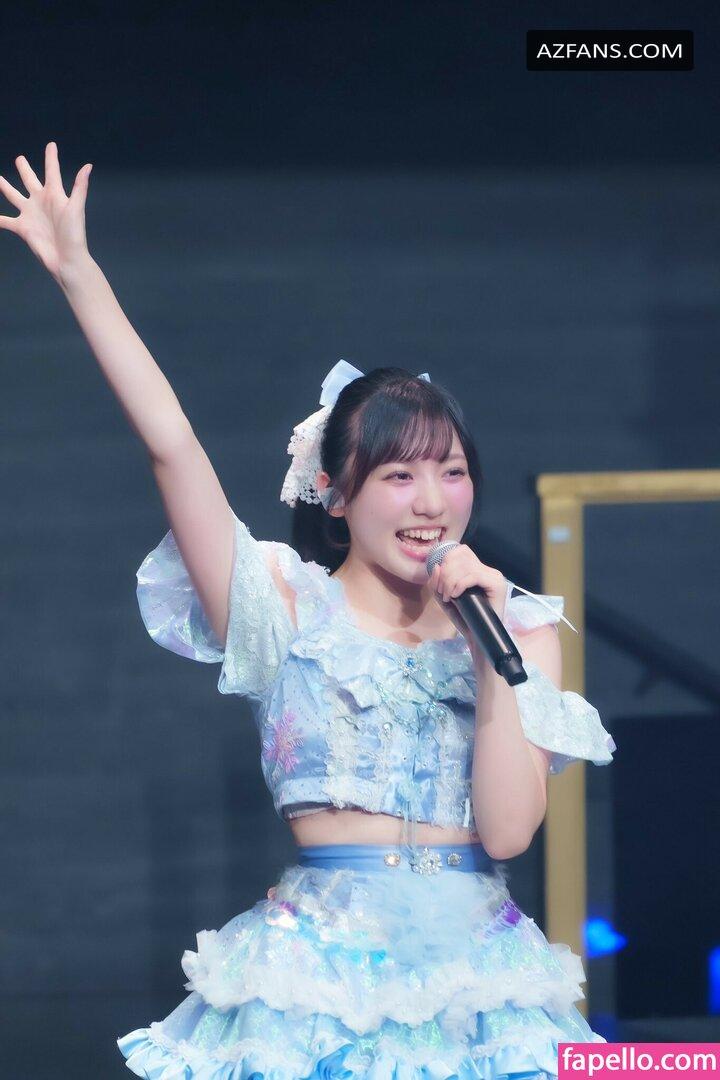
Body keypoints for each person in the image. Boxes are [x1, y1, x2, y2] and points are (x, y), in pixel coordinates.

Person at [1, 143, 616, 1079]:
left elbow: (505, 834)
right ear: (335, 492)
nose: (432, 501)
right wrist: (79, 275)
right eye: (399, 475)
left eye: (452, 473)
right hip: (313, 977)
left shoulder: (517, 626)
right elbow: (173, 447)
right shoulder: (283, 603)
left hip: (481, 986)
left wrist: (493, 657)